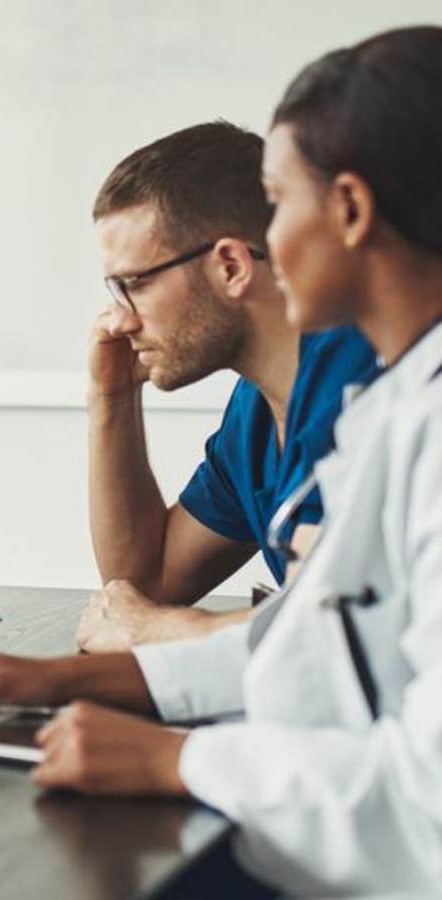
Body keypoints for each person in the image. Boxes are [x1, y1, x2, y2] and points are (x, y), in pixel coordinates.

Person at [0, 26, 442, 895]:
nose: (264, 241)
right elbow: (314, 647)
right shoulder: (396, 401)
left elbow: (423, 802)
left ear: (348, 211)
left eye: (277, 200)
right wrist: (53, 679)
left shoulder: (398, 409)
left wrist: (180, 760)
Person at [78, 122, 376, 652]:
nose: (118, 320)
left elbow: (362, 627)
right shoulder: (255, 413)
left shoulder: (371, 385)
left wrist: (161, 630)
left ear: (232, 265)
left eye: (136, 283)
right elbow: (145, 584)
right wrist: (113, 400)